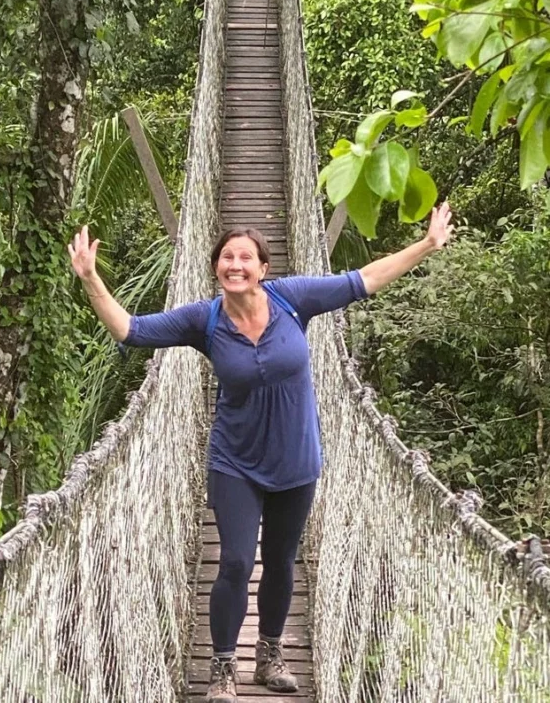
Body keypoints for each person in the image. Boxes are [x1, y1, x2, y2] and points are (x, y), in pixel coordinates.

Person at [68, 203, 453, 702]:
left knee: (281, 560)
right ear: (215, 268)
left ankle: (270, 654)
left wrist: (425, 244)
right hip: (235, 462)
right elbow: (132, 330)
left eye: (245, 257)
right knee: (233, 561)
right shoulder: (202, 321)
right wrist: (90, 279)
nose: (235, 265)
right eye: (227, 257)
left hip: (296, 460)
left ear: (263, 268)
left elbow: (363, 280)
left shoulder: (293, 299)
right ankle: (223, 666)